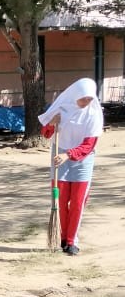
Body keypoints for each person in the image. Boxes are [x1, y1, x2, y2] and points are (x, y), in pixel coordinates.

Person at [38, 77, 103, 255]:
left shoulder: (93, 114)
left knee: (77, 202)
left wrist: (69, 155)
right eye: (83, 98)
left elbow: (89, 145)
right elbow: (45, 133)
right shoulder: (61, 108)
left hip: (82, 160)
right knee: (60, 200)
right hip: (59, 157)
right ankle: (62, 237)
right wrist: (51, 124)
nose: (86, 101)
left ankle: (72, 241)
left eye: (89, 98)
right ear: (76, 94)